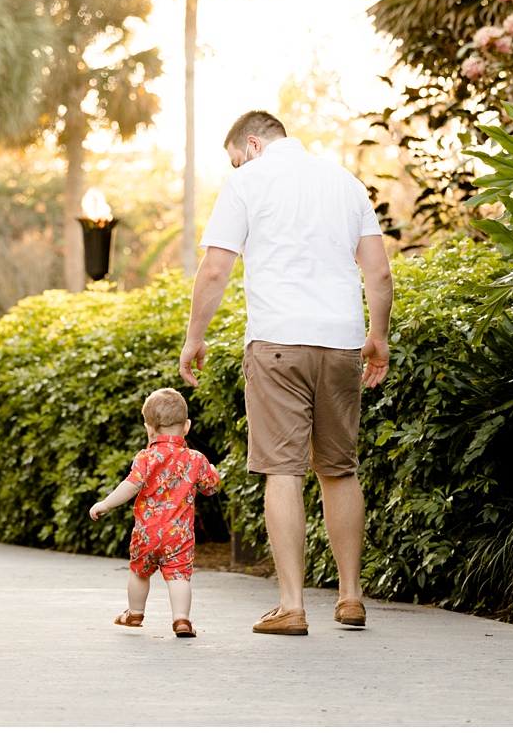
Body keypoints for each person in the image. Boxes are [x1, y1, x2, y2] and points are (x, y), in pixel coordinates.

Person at [179, 110, 393, 636]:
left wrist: (194, 337)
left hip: (277, 342)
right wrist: (378, 336)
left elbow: (214, 268)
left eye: (234, 157)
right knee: (339, 469)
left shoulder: (247, 181)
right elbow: (380, 271)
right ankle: (349, 598)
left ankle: (292, 606)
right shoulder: (345, 183)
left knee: (284, 470)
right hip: (342, 342)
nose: (235, 165)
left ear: (252, 144)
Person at [89, 387, 222, 639]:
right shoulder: (196, 459)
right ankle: (181, 620)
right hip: (179, 535)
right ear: (187, 427)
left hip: (147, 533)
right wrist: (213, 471)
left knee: (139, 572)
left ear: (149, 428)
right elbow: (211, 488)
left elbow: (130, 485)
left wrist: (106, 503)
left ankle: (135, 613)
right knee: (179, 577)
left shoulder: (146, 457)